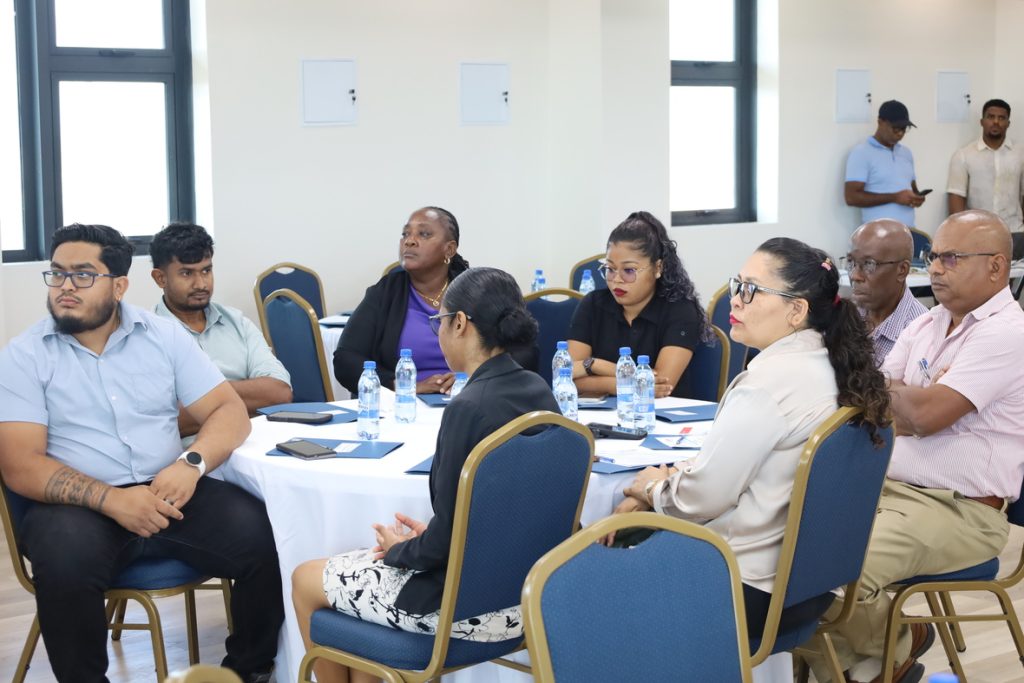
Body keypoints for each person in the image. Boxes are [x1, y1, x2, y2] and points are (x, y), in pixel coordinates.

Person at [0, 224, 284, 683]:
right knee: (64, 562)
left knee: (267, 533)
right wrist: (113, 500)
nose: (66, 286)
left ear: (119, 286)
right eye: (57, 273)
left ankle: (248, 669)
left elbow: (230, 412)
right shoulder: (24, 355)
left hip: (170, 489)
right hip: (77, 507)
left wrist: (192, 464)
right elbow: (20, 464)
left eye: (83, 274)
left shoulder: (163, 337)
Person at [603, 237, 891, 646]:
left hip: (739, 588)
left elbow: (703, 498)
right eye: (737, 284)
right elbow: (730, 468)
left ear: (796, 310)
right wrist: (664, 486)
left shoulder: (766, 384)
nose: (736, 300)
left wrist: (650, 490)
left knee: (579, 572)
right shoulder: (831, 364)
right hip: (808, 588)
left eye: (752, 290)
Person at [293, 267, 558, 683]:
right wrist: (432, 536)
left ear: (460, 323)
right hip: (527, 596)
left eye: (440, 322)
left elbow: (443, 545)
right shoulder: (540, 391)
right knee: (356, 618)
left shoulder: (468, 407)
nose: (439, 332)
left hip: (457, 608)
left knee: (305, 579)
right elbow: (507, 511)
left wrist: (400, 550)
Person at [817, 210, 1024, 683]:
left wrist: (909, 403)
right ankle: (889, 649)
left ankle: (881, 656)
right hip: (888, 488)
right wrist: (910, 400)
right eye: (933, 258)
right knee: (783, 550)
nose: (934, 269)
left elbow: (922, 417)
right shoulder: (930, 322)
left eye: (951, 258)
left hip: (961, 510)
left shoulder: (1007, 333)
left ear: (996, 267)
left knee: (825, 567)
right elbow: (866, 397)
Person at [150, 222, 292, 437]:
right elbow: (167, 420)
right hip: (194, 453)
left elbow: (279, 393)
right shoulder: (147, 336)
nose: (201, 284)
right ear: (160, 278)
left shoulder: (238, 323)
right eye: (187, 273)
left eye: (206, 271)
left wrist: (198, 400)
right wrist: (248, 398)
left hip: (258, 444)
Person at [567, 211, 710, 398]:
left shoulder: (680, 310)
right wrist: (598, 367)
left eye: (629, 270)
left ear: (658, 268)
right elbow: (567, 377)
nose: (616, 279)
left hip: (659, 413)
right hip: (600, 414)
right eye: (610, 269)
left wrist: (591, 370)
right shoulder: (592, 304)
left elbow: (660, 385)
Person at [333, 207, 469, 395]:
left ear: (449, 249)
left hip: (469, 398)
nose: (409, 241)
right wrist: (403, 386)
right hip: (405, 403)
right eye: (405, 234)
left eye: (424, 234)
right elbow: (345, 359)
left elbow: (509, 354)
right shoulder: (385, 293)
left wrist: (470, 378)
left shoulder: (474, 292)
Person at [847, 219, 928, 364]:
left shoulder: (922, 332)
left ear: (902, 270)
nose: (854, 275)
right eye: (850, 262)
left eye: (869, 264)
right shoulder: (846, 315)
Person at [845, 100, 927, 227]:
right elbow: (851, 197)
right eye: (896, 128)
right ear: (880, 122)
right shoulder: (862, 153)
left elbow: (912, 189)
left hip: (908, 232)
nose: (900, 133)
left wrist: (916, 198)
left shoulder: (906, 153)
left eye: (904, 129)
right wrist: (895, 197)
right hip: (877, 234)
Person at [947, 98, 1024, 232]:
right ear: (982, 122)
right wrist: (961, 233)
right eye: (990, 117)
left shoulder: (1020, 153)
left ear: (1008, 123)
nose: (996, 122)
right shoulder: (963, 155)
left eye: (1001, 118)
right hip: (977, 232)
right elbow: (956, 198)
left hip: (1014, 230)